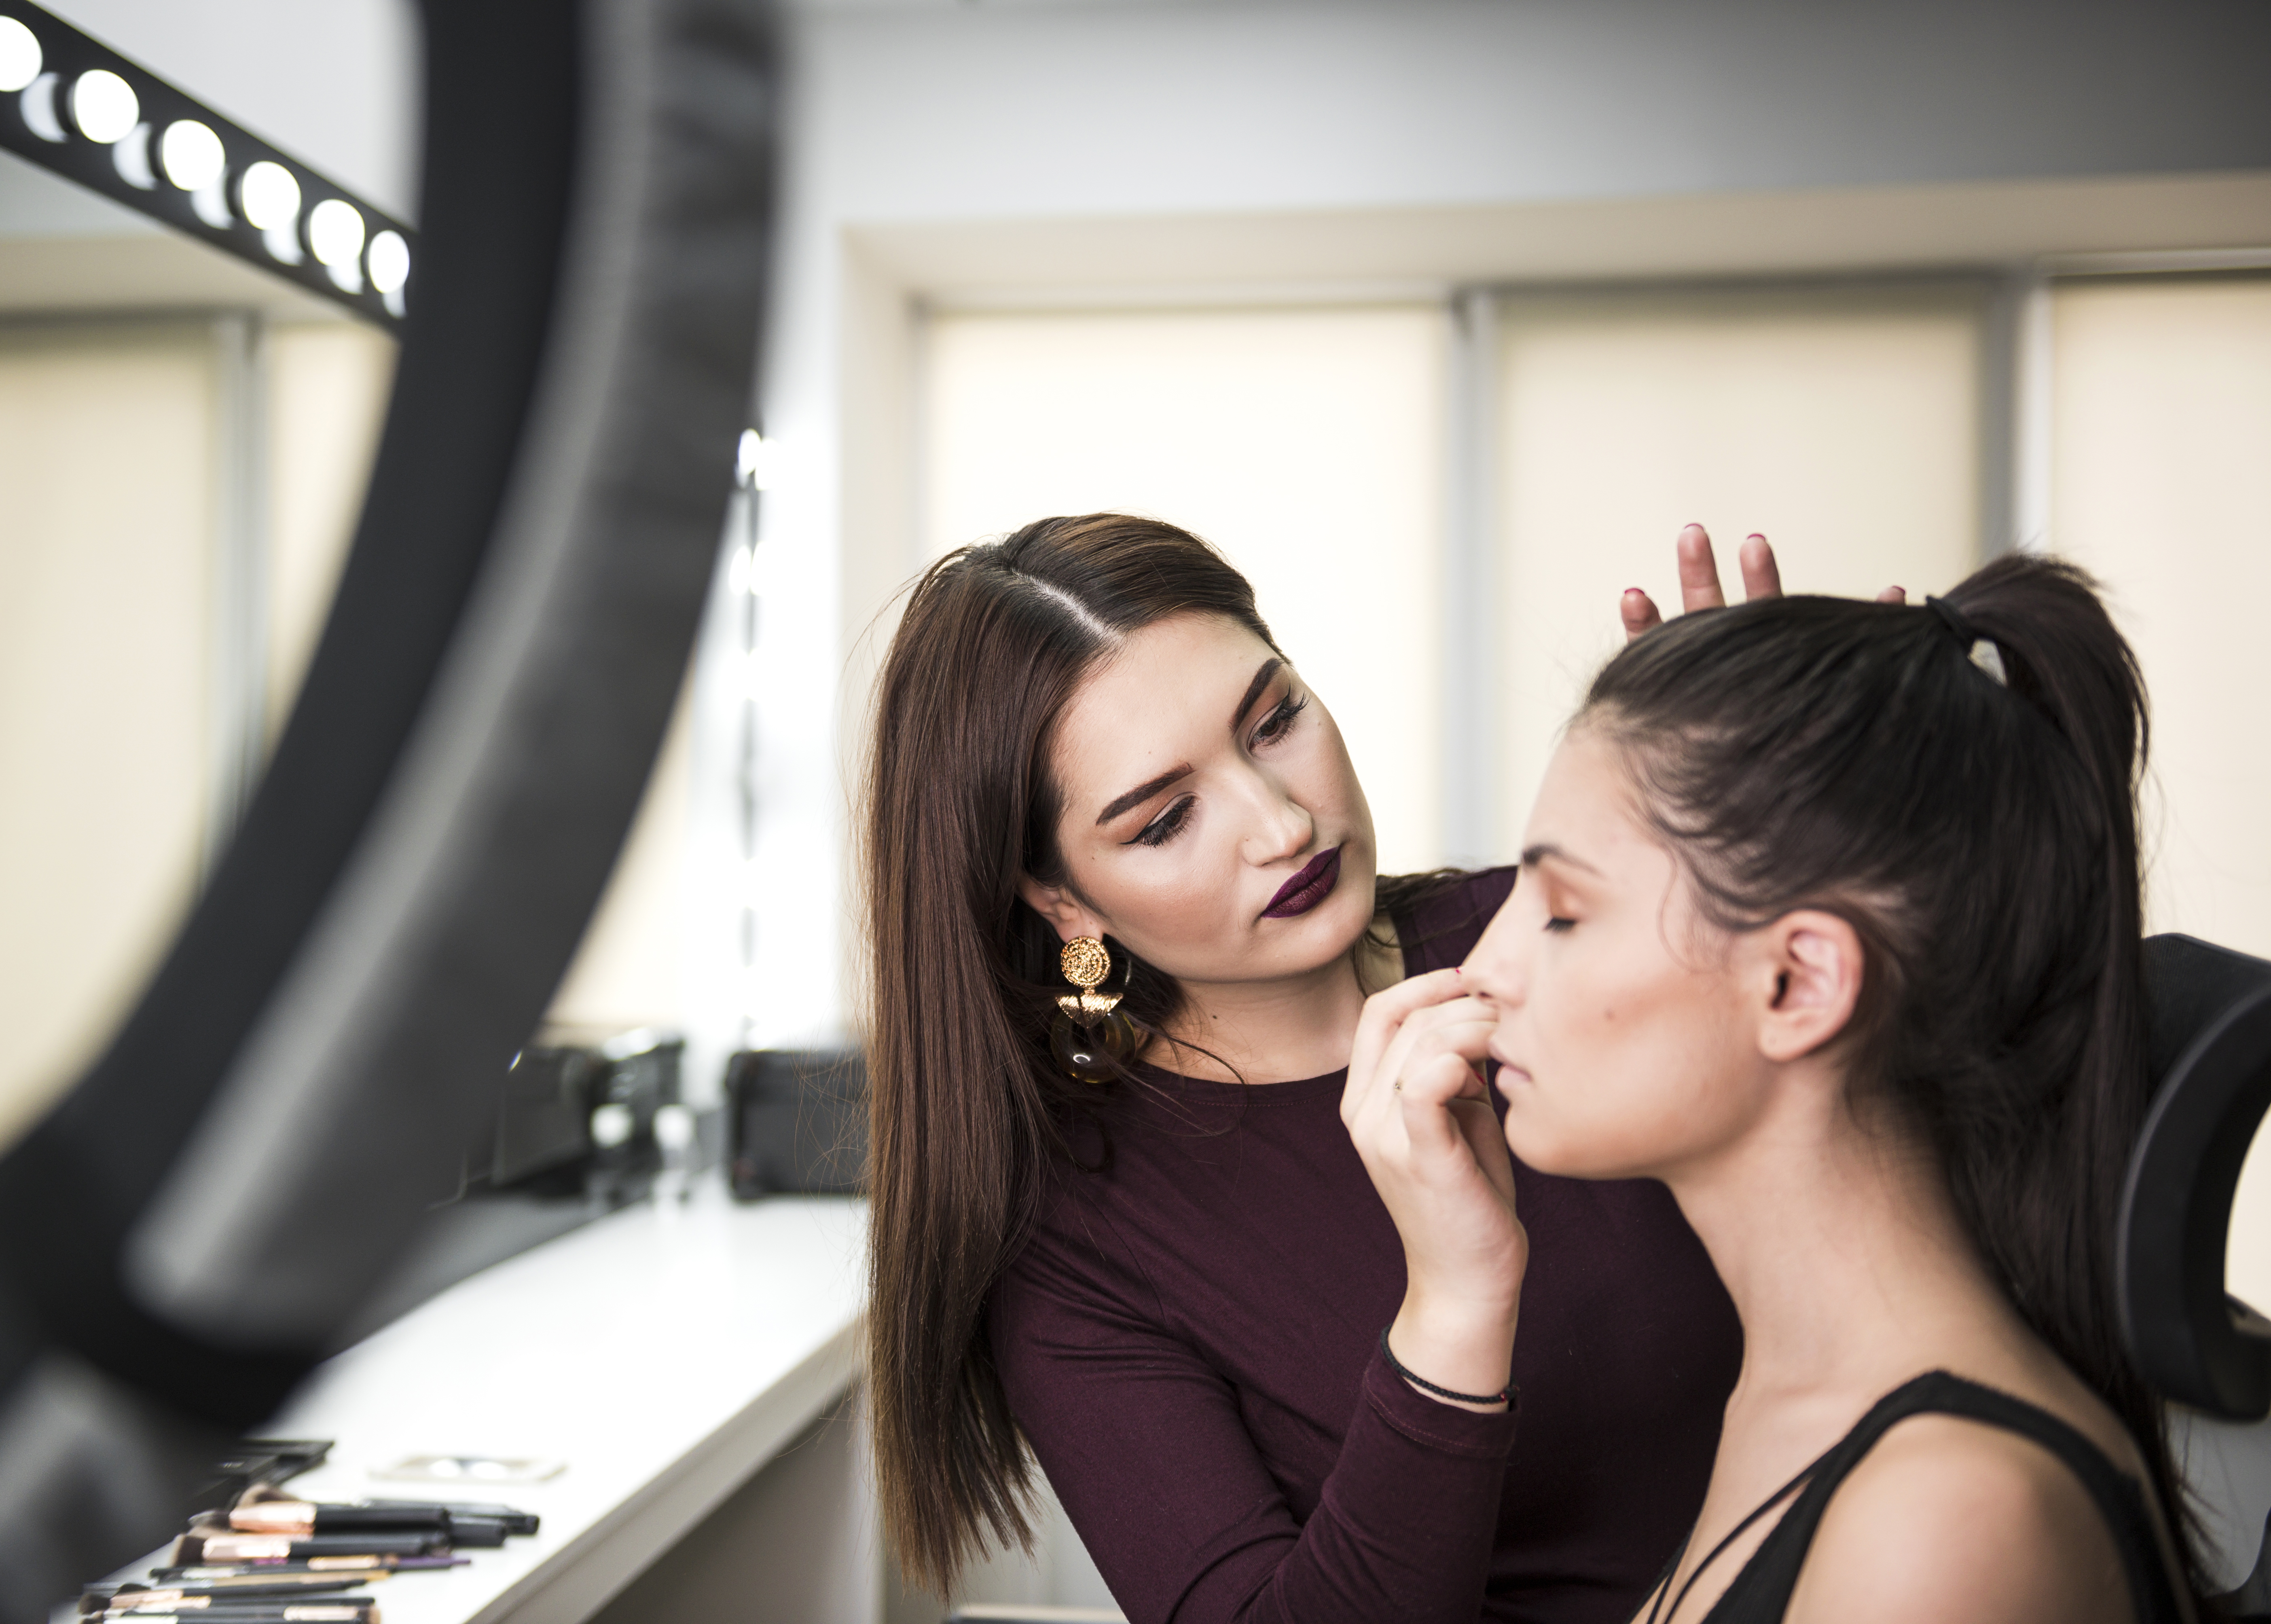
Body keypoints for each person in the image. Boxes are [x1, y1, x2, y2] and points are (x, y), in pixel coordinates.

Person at [864, 512, 1769, 1623]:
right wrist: (1453, 1306)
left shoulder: (1554, 928)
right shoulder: (1076, 1237)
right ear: (1063, 901)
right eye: (1164, 821)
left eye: (1276, 721)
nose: (1282, 822)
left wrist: (1782, 862)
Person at [1349, 554, 2200, 1622]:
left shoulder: (1942, 1522)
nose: (1481, 969)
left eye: (1564, 910)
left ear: (1799, 983)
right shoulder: (1787, 1396)